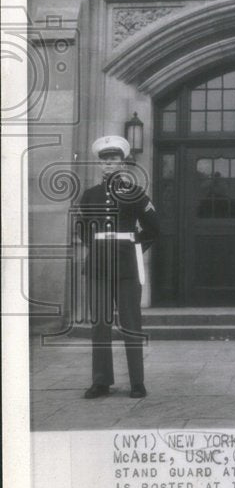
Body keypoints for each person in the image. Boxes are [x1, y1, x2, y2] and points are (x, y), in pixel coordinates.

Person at [74, 136, 159, 399]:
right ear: (100, 165)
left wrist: (134, 248)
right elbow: (83, 229)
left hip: (126, 267)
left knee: (131, 323)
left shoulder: (135, 193)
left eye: (114, 160)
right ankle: (101, 381)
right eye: (105, 160)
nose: (109, 164)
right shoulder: (90, 195)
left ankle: (137, 382)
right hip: (98, 267)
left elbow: (154, 229)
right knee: (99, 322)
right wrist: (99, 248)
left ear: (123, 164)